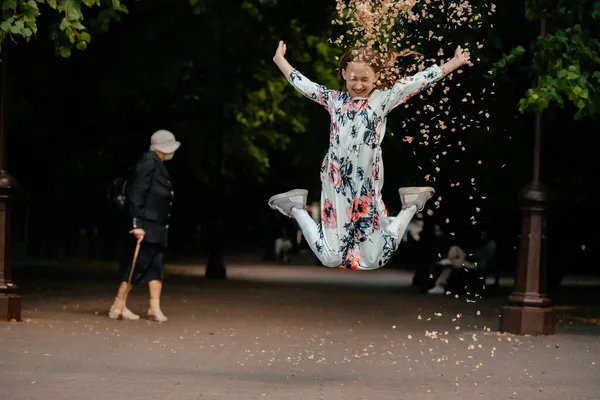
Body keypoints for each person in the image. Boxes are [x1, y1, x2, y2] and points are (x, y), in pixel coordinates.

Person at [267, 40, 472, 270]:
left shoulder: (382, 99)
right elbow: (306, 86)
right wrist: (280, 60)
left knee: (376, 259)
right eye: (353, 78)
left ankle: (411, 206)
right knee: (331, 257)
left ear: (376, 77)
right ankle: (295, 207)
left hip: (367, 189)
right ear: (344, 73)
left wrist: (454, 62)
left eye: (365, 79)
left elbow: (419, 81)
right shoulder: (335, 101)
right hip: (337, 186)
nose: (358, 84)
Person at [108, 130, 180, 322]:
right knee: (137, 265)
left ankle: (154, 308)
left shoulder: (157, 163)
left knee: (155, 265)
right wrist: (136, 224)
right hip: (146, 224)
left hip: (156, 225)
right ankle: (118, 304)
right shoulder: (148, 162)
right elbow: (136, 193)